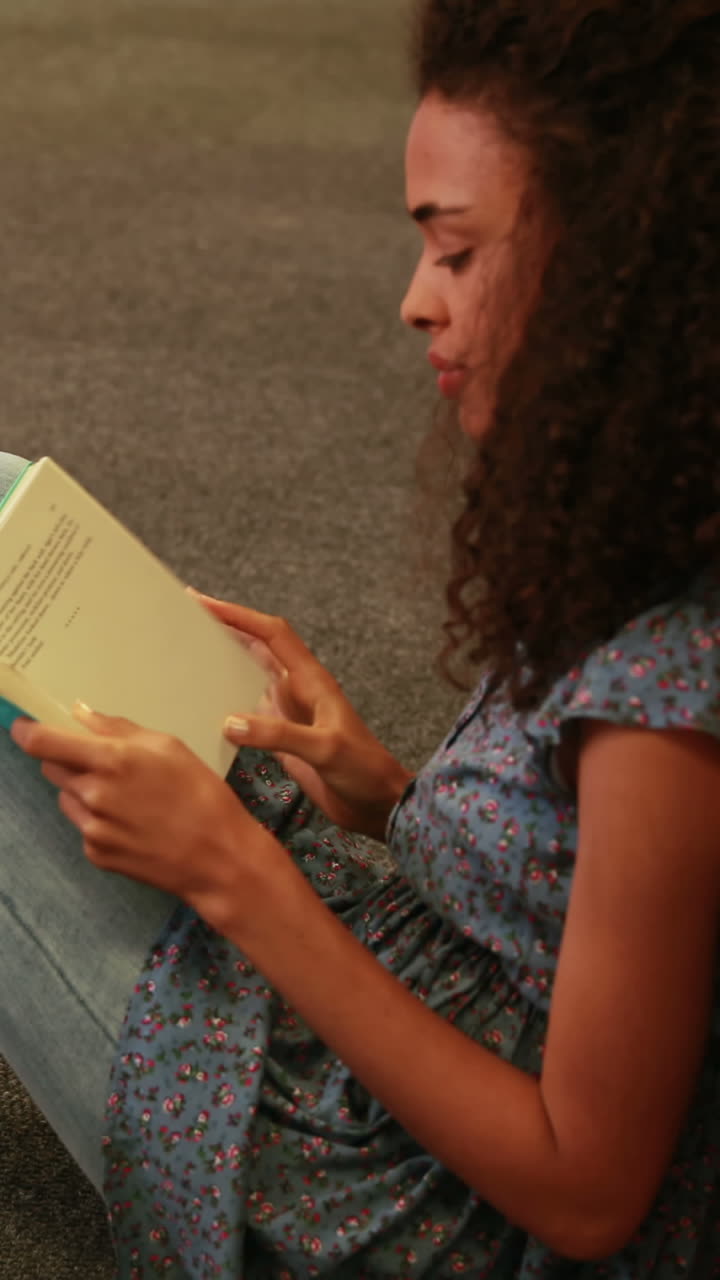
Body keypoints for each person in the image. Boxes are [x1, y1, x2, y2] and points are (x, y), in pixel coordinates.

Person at [2, 0, 720, 1274]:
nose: (410, 302)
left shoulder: (674, 688)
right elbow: (580, 898)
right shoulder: (651, 525)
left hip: (410, 1204)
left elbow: (590, 1191)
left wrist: (236, 869)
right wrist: (384, 790)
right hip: (409, 1013)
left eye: (454, 252)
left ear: (617, 271)